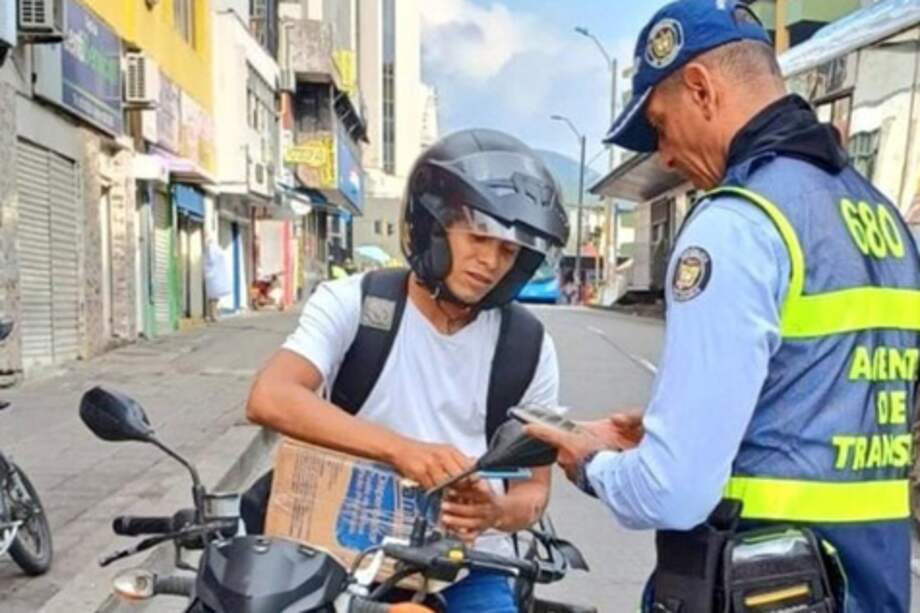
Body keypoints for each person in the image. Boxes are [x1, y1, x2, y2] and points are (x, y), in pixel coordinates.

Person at [526, 2, 920, 612]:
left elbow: (671, 491)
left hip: (764, 587)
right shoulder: (882, 219)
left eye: (659, 125)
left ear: (702, 89)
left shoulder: (740, 221)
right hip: (874, 584)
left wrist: (589, 461)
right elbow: (835, 408)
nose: (665, 157)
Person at [246, 129, 570, 611]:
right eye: (479, 237)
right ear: (433, 225)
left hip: (468, 566)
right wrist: (402, 452)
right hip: (340, 552)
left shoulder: (527, 346)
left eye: (508, 251)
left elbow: (535, 491)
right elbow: (271, 397)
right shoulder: (354, 304)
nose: (490, 262)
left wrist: (496, 512)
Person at [204, 237, 231, 322]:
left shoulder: (212, 249)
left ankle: (213, 314)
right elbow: (212, 260)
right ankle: (212, 315)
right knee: (213, 297)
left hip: (214, 276)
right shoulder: (212, 249)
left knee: (215, 297)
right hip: (213, 276)